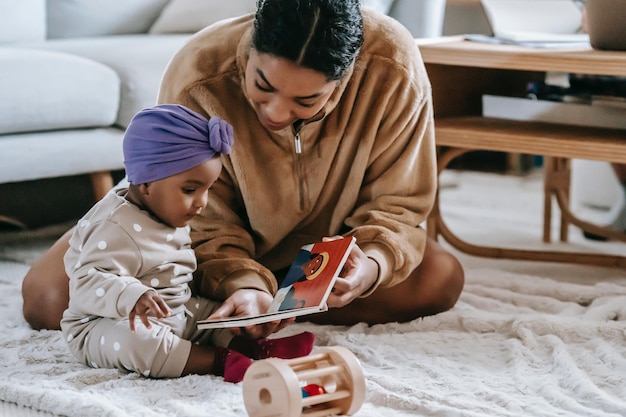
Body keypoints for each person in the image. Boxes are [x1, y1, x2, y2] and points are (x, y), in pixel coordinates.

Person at [22, 0, 465, 338]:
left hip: (324, 246)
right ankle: (236, 300)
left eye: (306, 101)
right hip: (196, 244)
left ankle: (228, 307)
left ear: (347, 74)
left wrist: (371, 264)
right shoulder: (200, 70)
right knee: (49, 297)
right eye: (262, 86)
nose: (275, 112)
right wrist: (240, 280)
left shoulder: (393, 66)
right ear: (251, 44)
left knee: (439, 280)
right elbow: (195, 214)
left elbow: (399, 204)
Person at [59, 104, 314, 382]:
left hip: (174, 308)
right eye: (191, 190)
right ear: (146, 183)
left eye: (208, 189)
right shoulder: (113, 225)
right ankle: (220, 362)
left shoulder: (166, 209)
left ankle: (252, 348)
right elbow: (85, 281)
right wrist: (132, 295)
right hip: (105, 324)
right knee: (141, 343)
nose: (202, 203)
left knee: (217, 315)